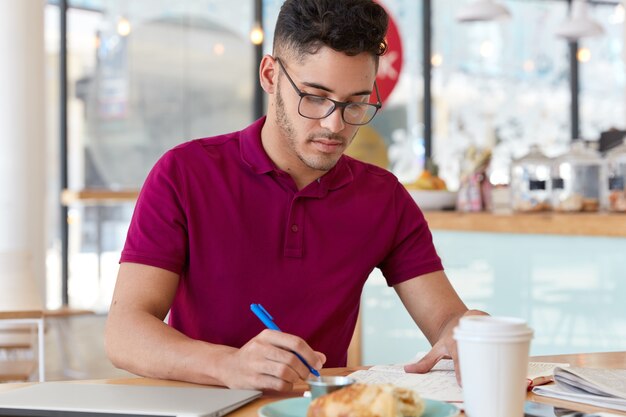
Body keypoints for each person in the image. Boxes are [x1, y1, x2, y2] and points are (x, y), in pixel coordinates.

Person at [105, 0, 485, 391]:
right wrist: (228, 365)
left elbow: (444, 320)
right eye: (315, 96)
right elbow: (125, 331)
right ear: (270, 75)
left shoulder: (384, 197)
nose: (334, 125)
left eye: (354, 103)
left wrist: (464, 329)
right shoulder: (184, 174)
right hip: (203, 406)